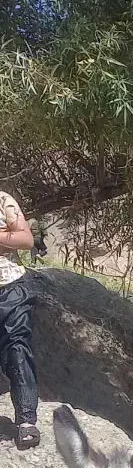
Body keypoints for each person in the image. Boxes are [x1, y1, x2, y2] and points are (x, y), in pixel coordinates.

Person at [0, 189, 40, 449]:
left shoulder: (3, 200)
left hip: (9, 287)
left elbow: (26, 239)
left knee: (17, 348)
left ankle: (26, 422)